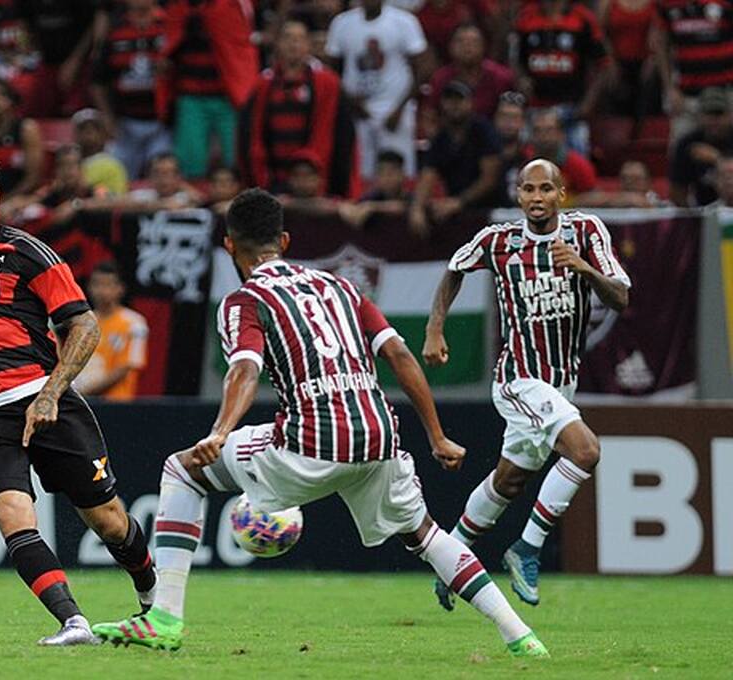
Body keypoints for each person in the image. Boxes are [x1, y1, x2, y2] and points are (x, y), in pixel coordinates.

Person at [91, 188, 548, 658]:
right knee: (426, 533)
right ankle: (522, 636)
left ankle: (164, 617)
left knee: (183, 470)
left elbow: (245, 369)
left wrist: (221, 430)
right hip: (378, 435)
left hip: (311, 439)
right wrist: (436, 435)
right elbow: (398, 353)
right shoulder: (343, 288)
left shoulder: (244, 302)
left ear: (230, 245)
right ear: (284, 240)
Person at [0, 149, 156, 646]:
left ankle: (150, 592)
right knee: (12, 513)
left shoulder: (28, 253)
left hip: (41, 399)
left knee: (108, 521)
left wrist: (51, 393)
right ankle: (73, 622)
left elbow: (84, 325)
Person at [423, 159, 630, 611]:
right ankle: (526, 548)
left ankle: (450, 558)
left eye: (546, 189)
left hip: (561, 384)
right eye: (528, 189)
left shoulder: (586, 234)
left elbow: (620, 297)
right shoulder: (499, 241)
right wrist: (435, 328)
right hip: (519, 377)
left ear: (561, 194)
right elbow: (455, 269)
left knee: (509, 481)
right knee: (586, 451)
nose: (537, 198)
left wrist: (585, 270)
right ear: (518, 196)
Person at [241, 20, 358, 199]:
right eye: (288, 38)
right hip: (274, 182)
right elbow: (253, 137)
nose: (293, 44)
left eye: (299, 39)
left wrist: (310, 178)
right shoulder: (262, 85)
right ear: (278, 44)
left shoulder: (327, 84)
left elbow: (336, 136)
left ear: (308, 45)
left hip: (315, 181)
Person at [325, 0, 431, 177]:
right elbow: (331, 70)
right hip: (358, 111)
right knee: (361, 173)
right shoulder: (342, 23)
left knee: (399, 171)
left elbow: (423, 68)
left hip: (395, 109)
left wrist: (400, 108)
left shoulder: (404, 21)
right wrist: (349, 100)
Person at [159, 0, 259, 178]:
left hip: (228, 97)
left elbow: (238, 48)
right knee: (191, 162)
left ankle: (236, 202)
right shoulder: (178, 8)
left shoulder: (232, 6)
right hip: (191, 96)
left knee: (236, 161)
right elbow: (168, 49)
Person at [512, 0, 611, 156]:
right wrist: (522, 79)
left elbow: (604, 65)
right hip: (534, 109)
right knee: (530, 167)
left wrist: (588, 103)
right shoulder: (526, 17)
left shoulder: (583, 18)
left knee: (574, 166)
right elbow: (515, 59)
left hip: (571, 110)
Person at [410, 80, 504, 237]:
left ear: (470, 102)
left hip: (492, 211)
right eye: (449, 100)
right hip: (459, 212)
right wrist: (417, 208)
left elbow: (489, 179)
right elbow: (428, 175)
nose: (454, 105)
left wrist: (459, 202)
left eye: (459, 100)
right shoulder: (441, 138)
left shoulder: (483, 131)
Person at [90, 0, 170, 179]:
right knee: (117, 177)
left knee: (164, 179)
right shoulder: (115, 30)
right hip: (125, 124)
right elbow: (97, 80)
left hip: (163, 125)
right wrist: (108, 118)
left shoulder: (169, 25)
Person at [654, 0, 733, 146]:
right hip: (687, 96)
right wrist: (669, 88)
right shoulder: (667, 4)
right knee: (679, 149)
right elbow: (661, 43)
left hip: (726, 92)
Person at [74, 261, 149, 401]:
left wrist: (86, 392)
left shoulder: (134, 323)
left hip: (116, 403)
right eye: (97, 284)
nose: (102, 291)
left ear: (120, 288)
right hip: (83, 404)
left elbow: (126, 368)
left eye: (108, 285)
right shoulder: (82, 322)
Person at [426, 23, 514, 121]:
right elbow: (430, 116)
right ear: (450, 47)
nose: (467, 47)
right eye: (460, 42)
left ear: (484, 46)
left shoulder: (501, 77)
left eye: (473, 42)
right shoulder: (440, 78)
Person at [669, 87, 733, 207]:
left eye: (719, 114)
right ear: (699, 116)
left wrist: (718, 159)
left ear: (730, 115)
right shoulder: (687, 144)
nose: (714, 121)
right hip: (702, 211)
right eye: (708, 114)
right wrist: (692, 219)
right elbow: (677, 191)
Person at [528, 108, 597, 202]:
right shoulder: (523, 161)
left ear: (561, 134)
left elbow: (592, 198)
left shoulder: (578, 165)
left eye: (549, 130)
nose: (543, 135)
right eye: (537, 130)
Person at [73, 108, 128, 196]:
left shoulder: (113, 165)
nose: (88, 134)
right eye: (83, 129)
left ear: (103, 133)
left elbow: (118, 197)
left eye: (94, 129)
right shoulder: (69, 162)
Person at [580, 160, 665, 208]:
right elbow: (579, 201)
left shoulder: (656, 202)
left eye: (636, 179)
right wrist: (611, 201)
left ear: (648, 182)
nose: (630, 183)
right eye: (625, 178)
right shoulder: (616, 200)